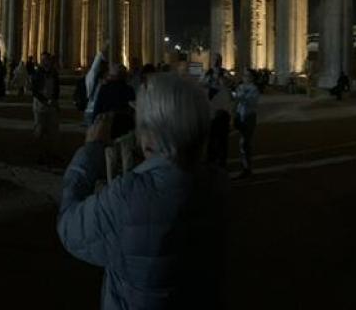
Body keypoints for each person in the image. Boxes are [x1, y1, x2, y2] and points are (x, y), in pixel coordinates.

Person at [57, 73, 228, 309]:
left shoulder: (129, 195)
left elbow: (69, 228)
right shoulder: (218, 185)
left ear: (151, 137)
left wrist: (89, 154)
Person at [92, 63, 136, 139]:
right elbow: (133, 110)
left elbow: (97, 109)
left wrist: (93, 124)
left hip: (107, 126)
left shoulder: (104, 89)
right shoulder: (129, 90)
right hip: (125, 126)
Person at [31, 52, 60, 165]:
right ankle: (39, 154)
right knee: (39, 130)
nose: (45, 62)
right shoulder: (37, 73)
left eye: (46, 60)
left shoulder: (53, 73)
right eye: (43, 60)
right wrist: (45, 100)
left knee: (53, 131)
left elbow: (56, 88)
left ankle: (52, 153)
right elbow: (35, 91)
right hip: (40, 105)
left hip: (51, 104)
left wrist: (55, 101)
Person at [233, 70, 260, 179]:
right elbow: (235, 100)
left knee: (244, 142)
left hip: (249, 117)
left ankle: (247, 169)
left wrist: (240, 96)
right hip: (240, 115)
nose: (244, 77)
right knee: (243, 143)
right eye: (244, 75)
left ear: (252, 77)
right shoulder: (240, 87)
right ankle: (245, 167)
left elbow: (251, 102)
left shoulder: (254, 89)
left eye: (247, 75)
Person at [83, 49, 109, 127]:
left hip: (91, 111)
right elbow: (94, 68)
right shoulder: (93, 78)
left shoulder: (93, 78)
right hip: (93, 111)